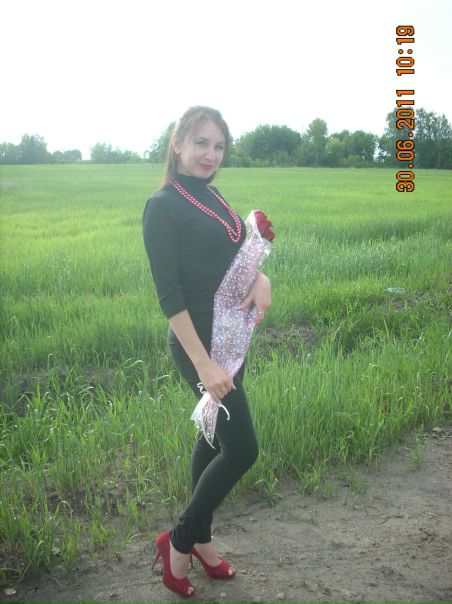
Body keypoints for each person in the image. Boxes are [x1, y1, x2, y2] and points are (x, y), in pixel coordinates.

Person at [142, 106, 271, 597]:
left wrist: (262, 278)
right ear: (177, 143)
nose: (210, 155)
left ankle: (201, 541)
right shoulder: (163, 206)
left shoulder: (213, 196)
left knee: (214, 440)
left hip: (230, 338)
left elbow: (233, 260)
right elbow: (169, 295)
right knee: (242, 448)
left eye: (218, 146)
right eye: (201, 143)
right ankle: (177, 542)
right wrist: (204, 364)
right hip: (199, 345)